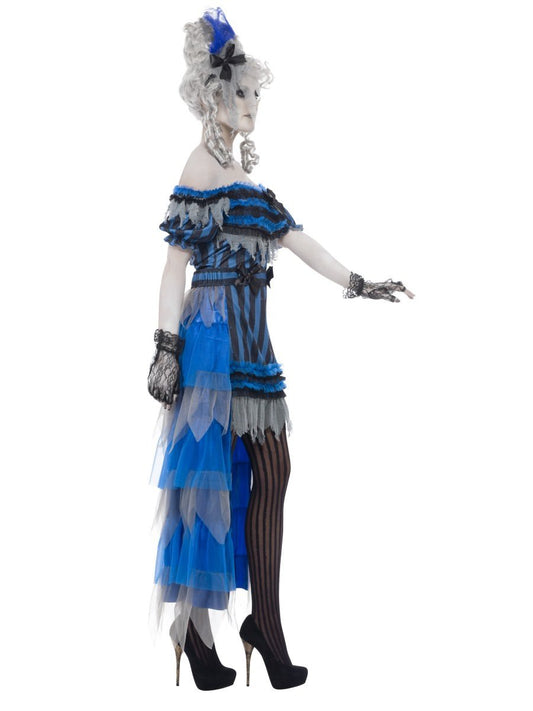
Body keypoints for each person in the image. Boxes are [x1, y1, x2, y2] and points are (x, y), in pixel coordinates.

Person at [147, 7, 414, 692]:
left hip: (255, 348)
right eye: (238, 93)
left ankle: (262, 622)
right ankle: (197, 630)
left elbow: (297, 241)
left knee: (273, 472)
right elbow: (173, 268)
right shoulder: (199, 166)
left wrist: (358, 281)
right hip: (211, 346)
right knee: (205, 484)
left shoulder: (247, 181)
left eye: (255, 94)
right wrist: (166, 346)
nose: (250, 105)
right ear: (212, 96)